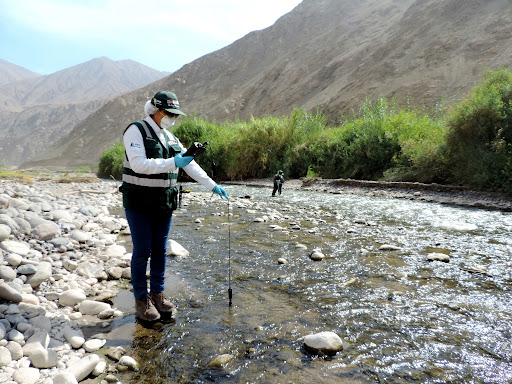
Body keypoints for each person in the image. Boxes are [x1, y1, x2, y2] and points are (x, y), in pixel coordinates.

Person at [120, 90, 229, 322]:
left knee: (160, 250)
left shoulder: (170, 138)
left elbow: (189, 165)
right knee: (142, 251)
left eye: (175, 115)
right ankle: (141, 300)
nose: (173, 118)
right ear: (157, 111)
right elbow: (139, 164)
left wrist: (212, 185)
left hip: (164, 202)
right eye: (170, 114)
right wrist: (173, 162)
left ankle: (157, 294)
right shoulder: (136, 130)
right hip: (139, 202)